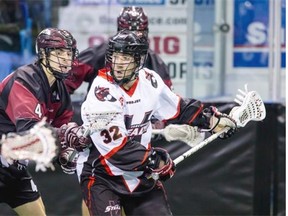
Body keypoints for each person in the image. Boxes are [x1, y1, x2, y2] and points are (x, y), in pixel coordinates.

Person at [60, 29, 237, 215]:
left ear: (139, 60)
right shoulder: (101, 92)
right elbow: (117, 150)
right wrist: (155, 159)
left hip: (139, 174)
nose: (118, 64)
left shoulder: (149, 80)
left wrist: (211, 120)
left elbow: (178, 107)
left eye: (125, 58)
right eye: (116, 57)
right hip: (102, 174)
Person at [0, 27, 78, 215]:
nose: (66, 58)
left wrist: (66, 153)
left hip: (15, 168)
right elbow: (30, 136)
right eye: (59, 52)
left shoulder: (60, 89)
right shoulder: (24, 80)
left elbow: (61, 132)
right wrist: (64, 138)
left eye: (68, 53)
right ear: (43, 54)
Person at [64, 6, 172, 97]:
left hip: (139, 118)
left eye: (138, 32)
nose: (133, 37)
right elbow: (65, 81)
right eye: (128, 32)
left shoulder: (155, 62)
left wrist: (159, 121)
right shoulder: (99, 53)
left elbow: (166, 100)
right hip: (100, 114)